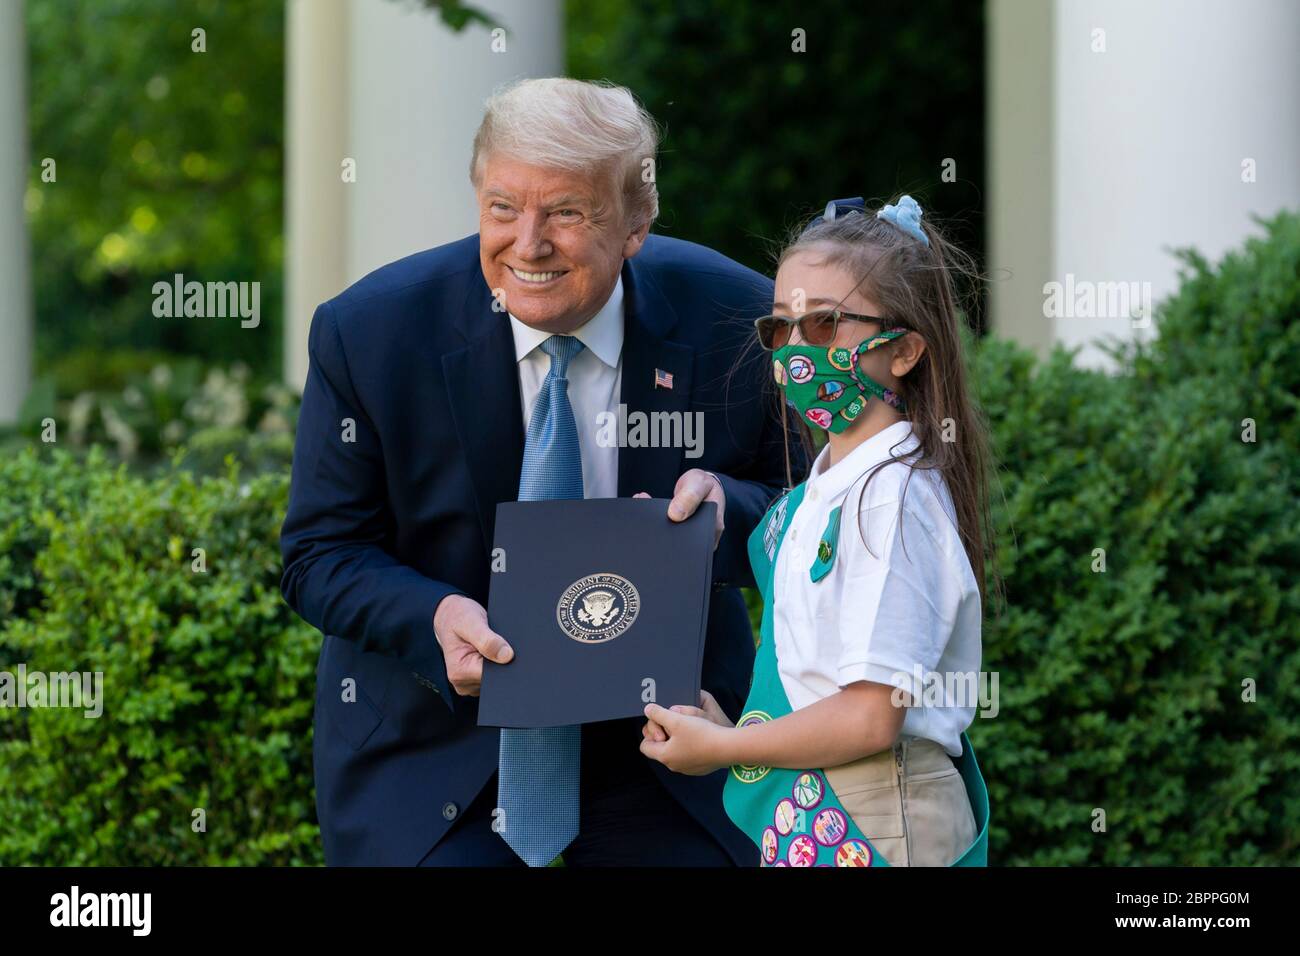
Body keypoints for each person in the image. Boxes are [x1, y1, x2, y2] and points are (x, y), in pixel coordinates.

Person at [279, 77, 798, 866]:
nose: (528, 243)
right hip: (439, 746)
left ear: (636, 222)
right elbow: (320, 554)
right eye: (503, 208)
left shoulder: (737, 319)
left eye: (566, 212)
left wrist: (733, 515)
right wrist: (435, 618)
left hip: (672, 739)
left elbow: (815, 510)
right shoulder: (370, 332)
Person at [641, 195, 993, 866]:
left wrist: (725, 749)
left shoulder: (890, 496)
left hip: (876, 811)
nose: (797, 350)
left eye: (826, 325)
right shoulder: (827, 488)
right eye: (782, 328)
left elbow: (869, 715)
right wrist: (732, 730)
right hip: (825, 804)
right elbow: (820, 684)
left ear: (906, 350)